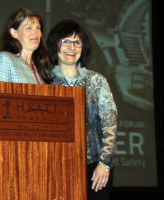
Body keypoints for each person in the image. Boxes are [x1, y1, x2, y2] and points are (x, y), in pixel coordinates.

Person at [46, 19, 118, 199]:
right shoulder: (43, 82)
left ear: (83, 47)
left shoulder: (97, 80)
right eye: (65, 41)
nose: (72, 47)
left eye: (77, 42)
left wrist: (105, 163)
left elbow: (110, 122)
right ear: (55, 45)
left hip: (95, 167)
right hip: (56, 167)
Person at [0, 7, 51, 84]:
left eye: (38, 28)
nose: (35, 33)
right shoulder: (4, 59)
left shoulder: (40, 67)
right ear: (14, 33)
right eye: (29, 28)